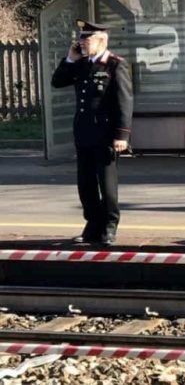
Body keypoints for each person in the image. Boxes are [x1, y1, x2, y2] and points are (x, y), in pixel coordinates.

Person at [51, 19, 133, 246]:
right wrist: (69, 59)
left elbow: (124, 101)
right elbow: (57, 82)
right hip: (84, 132)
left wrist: (122, 135)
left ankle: (109, 226)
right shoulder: (80, 63)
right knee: (85, 184)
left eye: (86, 39)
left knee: (106, 184)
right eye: (81, 38)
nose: (82, 43)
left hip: (106, 134)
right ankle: (92, 224)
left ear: (101, 40)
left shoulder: (115, 64)